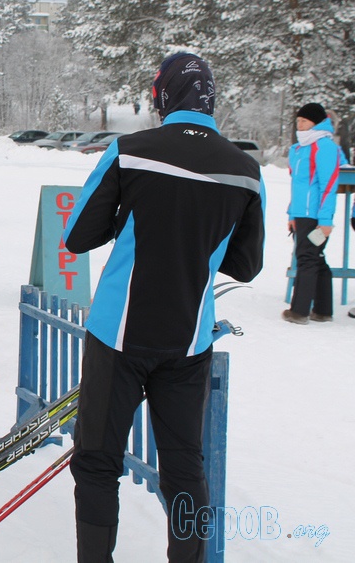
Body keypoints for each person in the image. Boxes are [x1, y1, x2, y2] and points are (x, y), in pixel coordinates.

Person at [63, 53, 264, 563]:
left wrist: (127, 220)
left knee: (96, 461)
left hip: (118, 335)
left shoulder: (130, 151)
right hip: (187, 338)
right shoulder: (245, 170)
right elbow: (246, 265)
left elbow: (78, 234)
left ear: (162, 96)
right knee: (183, 465)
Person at [283, 102, 341, 324]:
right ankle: (323, 310)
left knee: (306, 258)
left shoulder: (325, 147)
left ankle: (299, 312)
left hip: (316, 215)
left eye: (304, 121)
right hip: (301, 213)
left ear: (316, 122)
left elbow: (329, 185)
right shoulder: (298, 149)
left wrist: (325, 220)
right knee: (316, 258)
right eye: (298, 121)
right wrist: (291, 214)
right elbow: (297, 185)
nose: (300, 125)